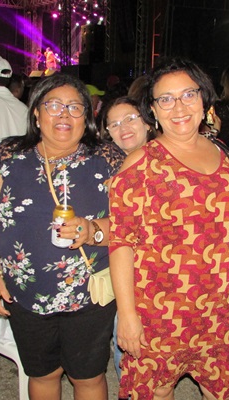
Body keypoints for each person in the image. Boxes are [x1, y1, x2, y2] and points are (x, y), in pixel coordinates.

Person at [0, 73, 125, 400]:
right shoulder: (7, 156)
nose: (64, 114)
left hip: (89, 295)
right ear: (36, 113)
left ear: (87, 116)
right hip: (26, 294)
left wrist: (92, 230)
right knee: (43, 374)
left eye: (75, 107)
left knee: (88, 377)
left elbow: (131, 225)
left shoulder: (108, 160)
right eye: (53, 105)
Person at [109, 58, 229, 400]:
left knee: (222, 390)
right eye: (166, 99)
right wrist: (127, 316)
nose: (179, 107)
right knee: (158, 391)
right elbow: (121, 243)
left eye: (188, 94)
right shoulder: (141, 163)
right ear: (153, 110)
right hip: (159, 310)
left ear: (204, 100)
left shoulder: (226, 155)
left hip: (218, 308)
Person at [98, 96, 155, 380]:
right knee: (132, 364)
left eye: (130, 119)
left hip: (167, 276)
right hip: (128, 275)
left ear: (148, 121)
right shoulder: (104, 167)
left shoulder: (169, 158)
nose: (124, 128)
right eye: (114, 124)